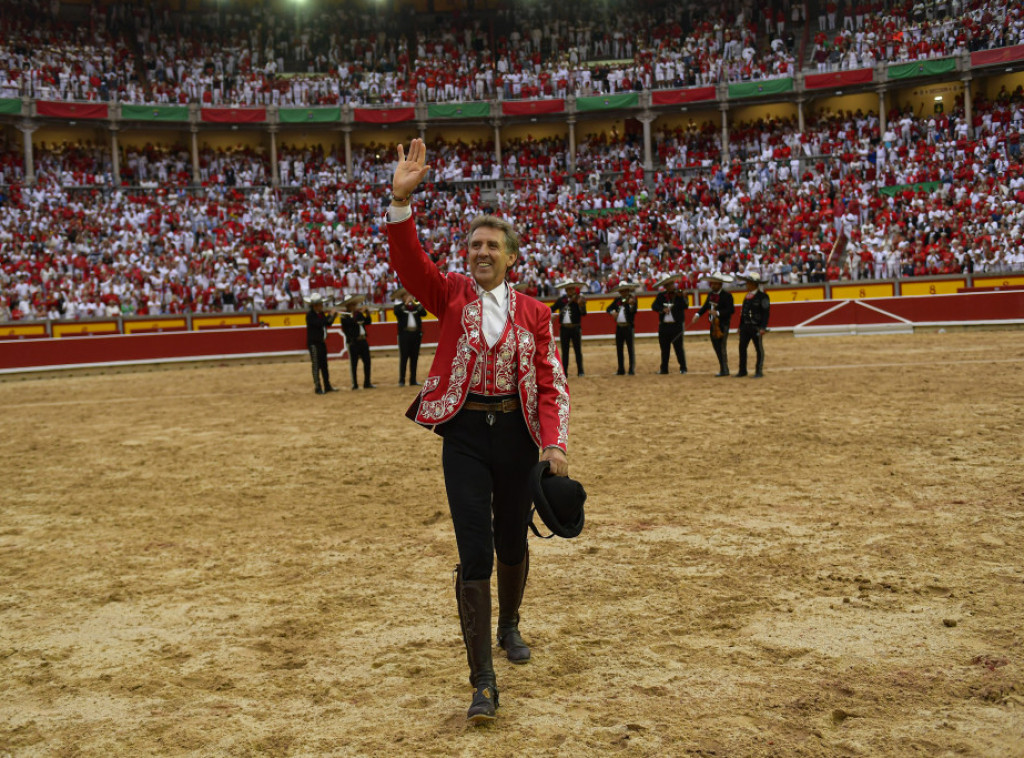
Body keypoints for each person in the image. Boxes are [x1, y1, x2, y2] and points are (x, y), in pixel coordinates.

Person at [386, 139, 570, 725]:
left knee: (512, 539)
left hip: (516, 435)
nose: (482, 252)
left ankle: (509, 623)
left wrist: (555, 442)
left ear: (511, 257)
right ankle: (482, 682)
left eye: (492, 245)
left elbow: (550, 382)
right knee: (474, 550)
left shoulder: (536, 313)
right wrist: (400, 202)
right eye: (474, 245)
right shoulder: (450, 293)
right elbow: (409, 263)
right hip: (463, 433)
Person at [690, 272, 735, 376]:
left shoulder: (727, 296)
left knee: (721, 346)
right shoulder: (711, 294)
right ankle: (723, 368)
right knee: (716, 346)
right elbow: (705, 306)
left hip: (723, 324)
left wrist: (718, 313)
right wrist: (697, 314)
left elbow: (731, 310)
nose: (712, 285)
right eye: (712, 283)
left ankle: (724, 370)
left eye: (715, 283)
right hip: (713, 324)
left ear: (720, 284)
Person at [651, 273, 688, 374]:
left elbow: (685, 306)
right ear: (665, 286)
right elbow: (654, 306)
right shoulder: (661, 296)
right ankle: (664, 369)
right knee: (664, 348)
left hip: (676, 326)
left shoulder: (679, 294)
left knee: (678, 348)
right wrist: (662, 309)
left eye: (672, 284)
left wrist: (682, 297)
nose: (671, 286)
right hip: (664, 326)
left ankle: (683, 368)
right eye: (668, 284)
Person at [735, 272, 770, 378]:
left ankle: (759, 371)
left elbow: (766, 313)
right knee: (742, 348)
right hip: (745, 327)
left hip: (756, 327)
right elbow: (743, 312)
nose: (746, 285)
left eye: (748, 283)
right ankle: (742, 370)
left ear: (754, 284)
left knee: (758, 349)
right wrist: (740, 326)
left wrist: (763, 327)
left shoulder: (763, 296)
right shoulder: (747, 296)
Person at [550, 280, 587, 377]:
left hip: (575, 328)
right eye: (569, 289)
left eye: (572, 289)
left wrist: (581, 305)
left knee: (578, 350)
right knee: (565, 351)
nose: (571, 291)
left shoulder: (579, 299)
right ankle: (564, 372)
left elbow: (584, 313)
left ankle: (580, 371)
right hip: (564, 329)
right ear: (566, 290)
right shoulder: (561, 300)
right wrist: (549, 314)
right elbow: (552, 308)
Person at [305, 293, 339, 394]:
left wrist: (333, 317)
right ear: (315, 306)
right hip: (314, 344)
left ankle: (327, 386)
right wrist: (330, 315)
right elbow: (320, 323)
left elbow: (328, 323)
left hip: (321, 343)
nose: (322, 306)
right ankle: (318, 387)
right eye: (320, 304)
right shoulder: (310, 315)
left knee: (324, 365)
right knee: (316, 365)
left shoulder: (320, 314)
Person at [339, 294, 375, 389]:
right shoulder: (344, 316)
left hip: (362, 340)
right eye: (353, 304)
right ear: (348, 306)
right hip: (353, 342)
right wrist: (359, 313)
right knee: (354, 364)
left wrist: (367, 314)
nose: (355, 306)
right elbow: (351, 324)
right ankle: (354, 384)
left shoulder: (358, 314)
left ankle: (367, 382)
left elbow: (368, 322)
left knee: (367, 362)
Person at [393, 288, 427, 386]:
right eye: (406, 295)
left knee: (414, 357)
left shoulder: (416, 306)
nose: (409, 297)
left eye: (410, 295)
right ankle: (402, 380)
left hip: (416, 334)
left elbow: (424, 313)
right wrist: (406, 304)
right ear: (402, 297)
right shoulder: (399, 306)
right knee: (404, 357)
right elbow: (397, 313)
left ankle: (413, 380)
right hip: (404, 335)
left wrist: (417, 304)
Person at [605, 280, 638, 375]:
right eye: (621, 291)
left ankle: (631, 369)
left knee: (630, 349)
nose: (623, 292)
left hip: (628, 327)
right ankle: (621, 369)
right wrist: (612, 312)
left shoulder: (633, 299)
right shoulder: (617, 300)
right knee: (619, 349)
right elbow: (608, 308)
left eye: (624, 290)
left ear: (628, 290)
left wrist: (631, 305)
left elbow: (633, 311)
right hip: (619, 327)